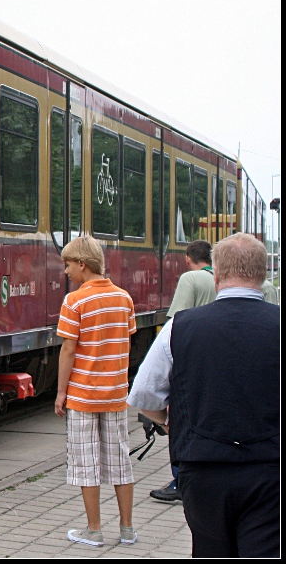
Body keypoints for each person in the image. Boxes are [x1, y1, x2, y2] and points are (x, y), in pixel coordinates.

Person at [128, 233, 279, 558]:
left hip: (203, 468)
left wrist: (174, 425)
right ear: (263, 274)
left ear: (218, 275)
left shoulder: (180, 326)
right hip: (270, 469)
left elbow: (143, 395)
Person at [54, 236, 138, 547]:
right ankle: (127, 529)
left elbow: (68, 350)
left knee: (86, 462)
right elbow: (124, 339)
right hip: (116, 393)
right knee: (119, 460)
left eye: (67, 264)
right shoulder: (124, 298)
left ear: (82, 265)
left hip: (83, 395)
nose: (65, 271)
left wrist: (61, 393)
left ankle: (94, 530)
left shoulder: (74, 301)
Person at [151, 239, 216, 503]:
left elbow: (175, 321)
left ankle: (180, 481)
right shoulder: (221, 279)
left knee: (182, 419)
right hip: (216, 359)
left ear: (188, 259)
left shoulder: (191, 278)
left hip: (190, 357)